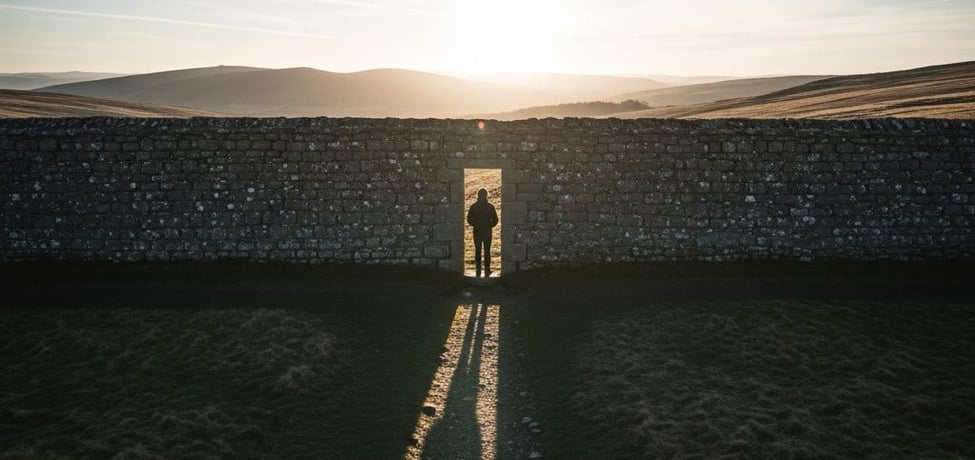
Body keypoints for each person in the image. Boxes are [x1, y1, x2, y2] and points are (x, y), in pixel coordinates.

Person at [466, 188, 499, 278]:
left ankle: (478, 269)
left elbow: (469, 219)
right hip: (487, 231)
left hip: (477, 231)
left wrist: (476, 225)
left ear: (478, 195)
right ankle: (487, 270)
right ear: (486, 195)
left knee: (478, 250)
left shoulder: (474, 206)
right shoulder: (490, 207)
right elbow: (495, 220)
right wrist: (489, 226)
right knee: (487, 251)